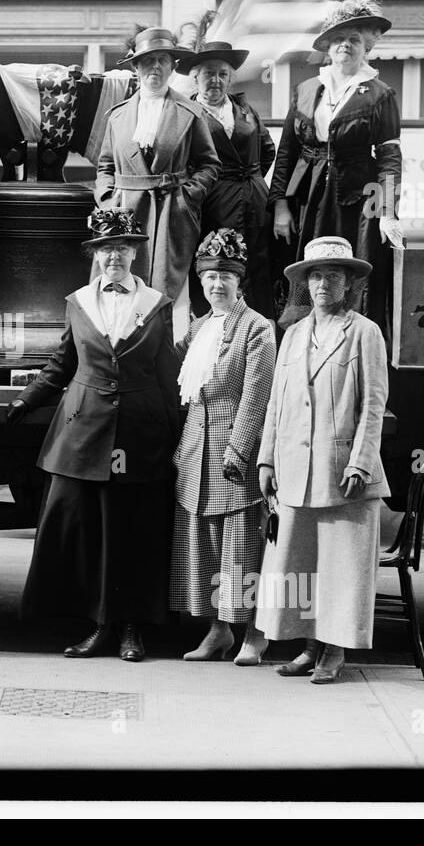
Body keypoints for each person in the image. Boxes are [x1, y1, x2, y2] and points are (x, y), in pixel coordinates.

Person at [5, 208, 181, 661]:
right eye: (106, 249)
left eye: (123, 248)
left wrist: (178, 435)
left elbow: (169, 376)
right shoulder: (77, 302)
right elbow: (63, 364)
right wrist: (27, 400)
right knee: (86, 531)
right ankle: (98, 624)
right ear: (96, 255)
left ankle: (131, 630)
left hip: (139, 436)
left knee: (134, 533)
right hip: (83, 433)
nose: (114, 256)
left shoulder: (157, 306)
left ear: (136, 253)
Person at [254, 236, 391, 684]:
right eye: (315, 275)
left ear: (349, 283)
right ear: (305, 283)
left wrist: (360, 462)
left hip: (344, 471)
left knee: (341, 566)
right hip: (295, 469)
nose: (322, 284)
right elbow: (276, 403)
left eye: (333, 275)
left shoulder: (364, 332)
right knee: (301, 564)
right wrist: (266, 461)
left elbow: (374, 404)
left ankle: (334, 650)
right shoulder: (293, 334)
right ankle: (309, 647)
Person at [268, 0, 405, 336]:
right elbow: (287, 151)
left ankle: (352, 340)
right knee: (307, 268)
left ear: (366, 48)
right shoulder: (305, 90)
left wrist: (386, 212)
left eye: (354, 39)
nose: (346, 45)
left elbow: (389, 156)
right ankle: (301, 340)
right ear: (328, 47)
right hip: (309, 198)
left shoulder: (380, 94)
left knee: (354, 268)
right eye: (338, 39)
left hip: (358, 201)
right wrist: (281, 206)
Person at [169, 229, 276, 663]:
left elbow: (257, 393)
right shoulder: (197, 328)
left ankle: (254, 633)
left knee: (243, 542)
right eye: (210, 276)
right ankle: (217, 631)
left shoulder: (257, 328)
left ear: (239, 281)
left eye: (225, 277)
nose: (217, 284)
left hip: (235, 449)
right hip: (196, 447)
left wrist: (239, 450)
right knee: (207, 543)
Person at [95, 25, 220, 315]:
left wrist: (186, 196)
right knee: (120, 285)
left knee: (166, 291)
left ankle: (165, 353)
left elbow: (209, 164)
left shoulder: (190, 112)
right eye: (148, 60)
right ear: (136, 66)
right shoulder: (118, 116)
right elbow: (105, 166)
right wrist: (109, 199)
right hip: (124, 211)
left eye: (162, 60)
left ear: (172, 66)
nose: (155, 67)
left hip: (170, 212)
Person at [178, 21, 277, 318]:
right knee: (218, 264)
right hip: (213, 203)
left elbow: (267, 150)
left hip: (254, 201)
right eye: (209, 74)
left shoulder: (245, 110)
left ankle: (258, 336)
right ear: (196, 78)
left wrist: (250, 180)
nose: (216, 81)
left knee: (257, 266)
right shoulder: (186, 112)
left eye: (223, 74)